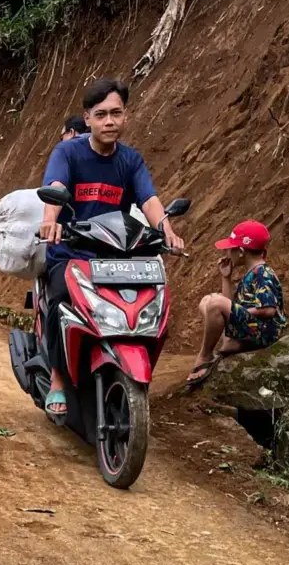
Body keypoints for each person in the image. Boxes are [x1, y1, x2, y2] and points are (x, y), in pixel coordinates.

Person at [38, 78, 185, 419]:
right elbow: (56, 185)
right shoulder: (67, 153)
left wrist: (167, 230)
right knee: (60, 301)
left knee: (150, 300)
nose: (109, 121)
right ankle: (58, 379)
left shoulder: (131, 160)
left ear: (126, 117)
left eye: (116, 113)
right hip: (70, 253)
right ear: (87, 118)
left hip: (116, 256)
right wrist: (50, 221)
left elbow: (148, 199)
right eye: (101, 114)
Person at [186, 221, 287, 386]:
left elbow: (269, 310)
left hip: (264, 334)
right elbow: (229, 304)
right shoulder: (253, 272)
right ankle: (231, 341)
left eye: (230, 248)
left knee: (215, 302)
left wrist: (234, 313)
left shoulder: (263, 273)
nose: (226, 253)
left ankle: (205, 355)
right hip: (251, 328)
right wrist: (226, 278)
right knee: (208, 301)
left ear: (240, 252)